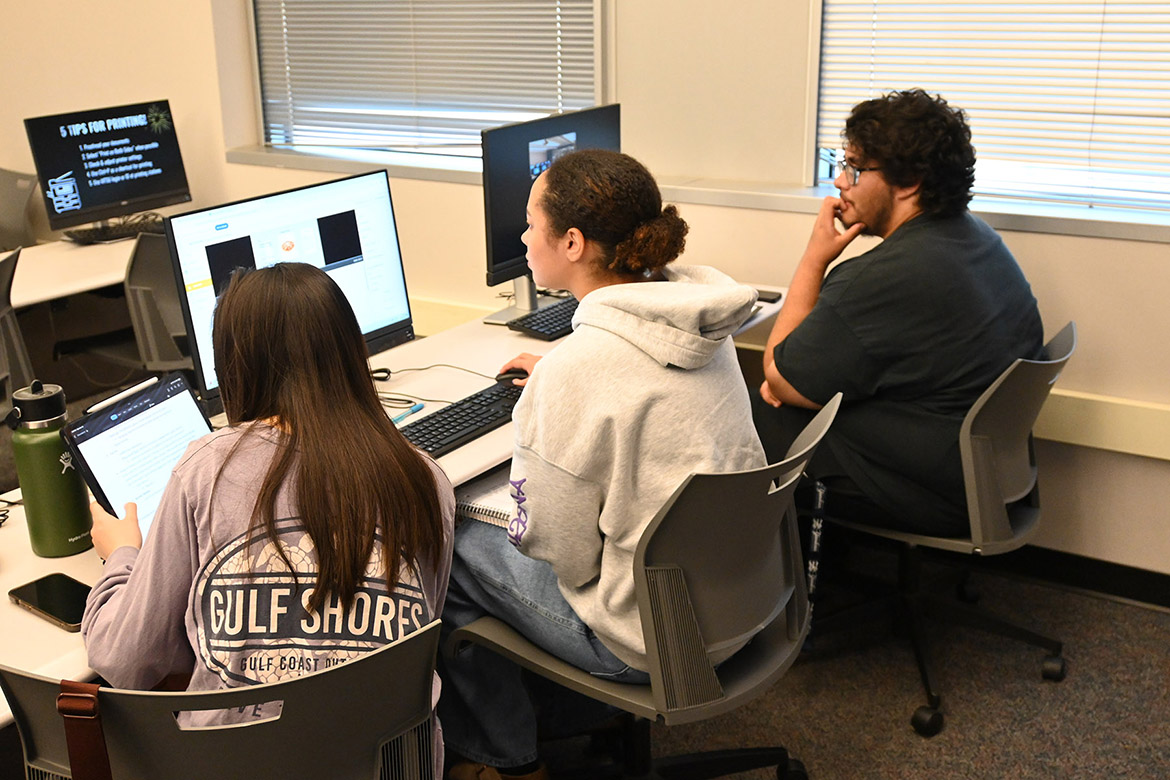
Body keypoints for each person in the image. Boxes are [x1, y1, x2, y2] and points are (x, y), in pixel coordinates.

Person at [438, 149, 766, 780]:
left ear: (572, 241)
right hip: (741, 604)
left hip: (646, 640)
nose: (523, 237)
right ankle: (573, 714)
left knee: (444, 544)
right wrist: (558, 378)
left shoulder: (579, 370)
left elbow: (561, 553)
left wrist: (556, 389)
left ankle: (507, 758)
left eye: (531, 223)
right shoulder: (697, 322)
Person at [82, 264, 455, 768]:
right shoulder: (426, 480)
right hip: (391, 765)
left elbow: (126, 660)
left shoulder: (207, 469)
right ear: (351, 352)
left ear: (236, 366)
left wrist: (123, 554)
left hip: (238, 766)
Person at [755, 89, 1044, 537]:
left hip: (935, 490)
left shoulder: (882, 278)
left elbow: (778, 378)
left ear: (908, 182)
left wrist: (815, 258)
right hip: (985, 471)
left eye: (854, 168)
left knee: (756, 410)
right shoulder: (978, 237)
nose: (839, 182)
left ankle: (754, 587)